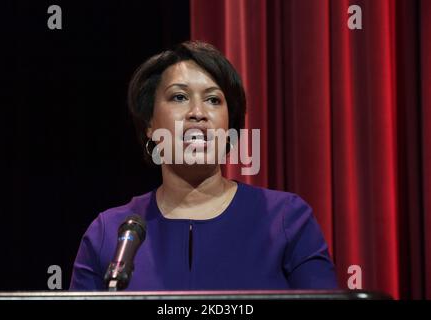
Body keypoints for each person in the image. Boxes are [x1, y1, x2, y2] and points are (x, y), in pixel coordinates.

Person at [69, 41, 338, 291]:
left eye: (213, 100)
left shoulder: (286, 219)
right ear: (150, 123)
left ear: (230, 127)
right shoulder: (110, 232)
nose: (198, 112)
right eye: (179, 97)